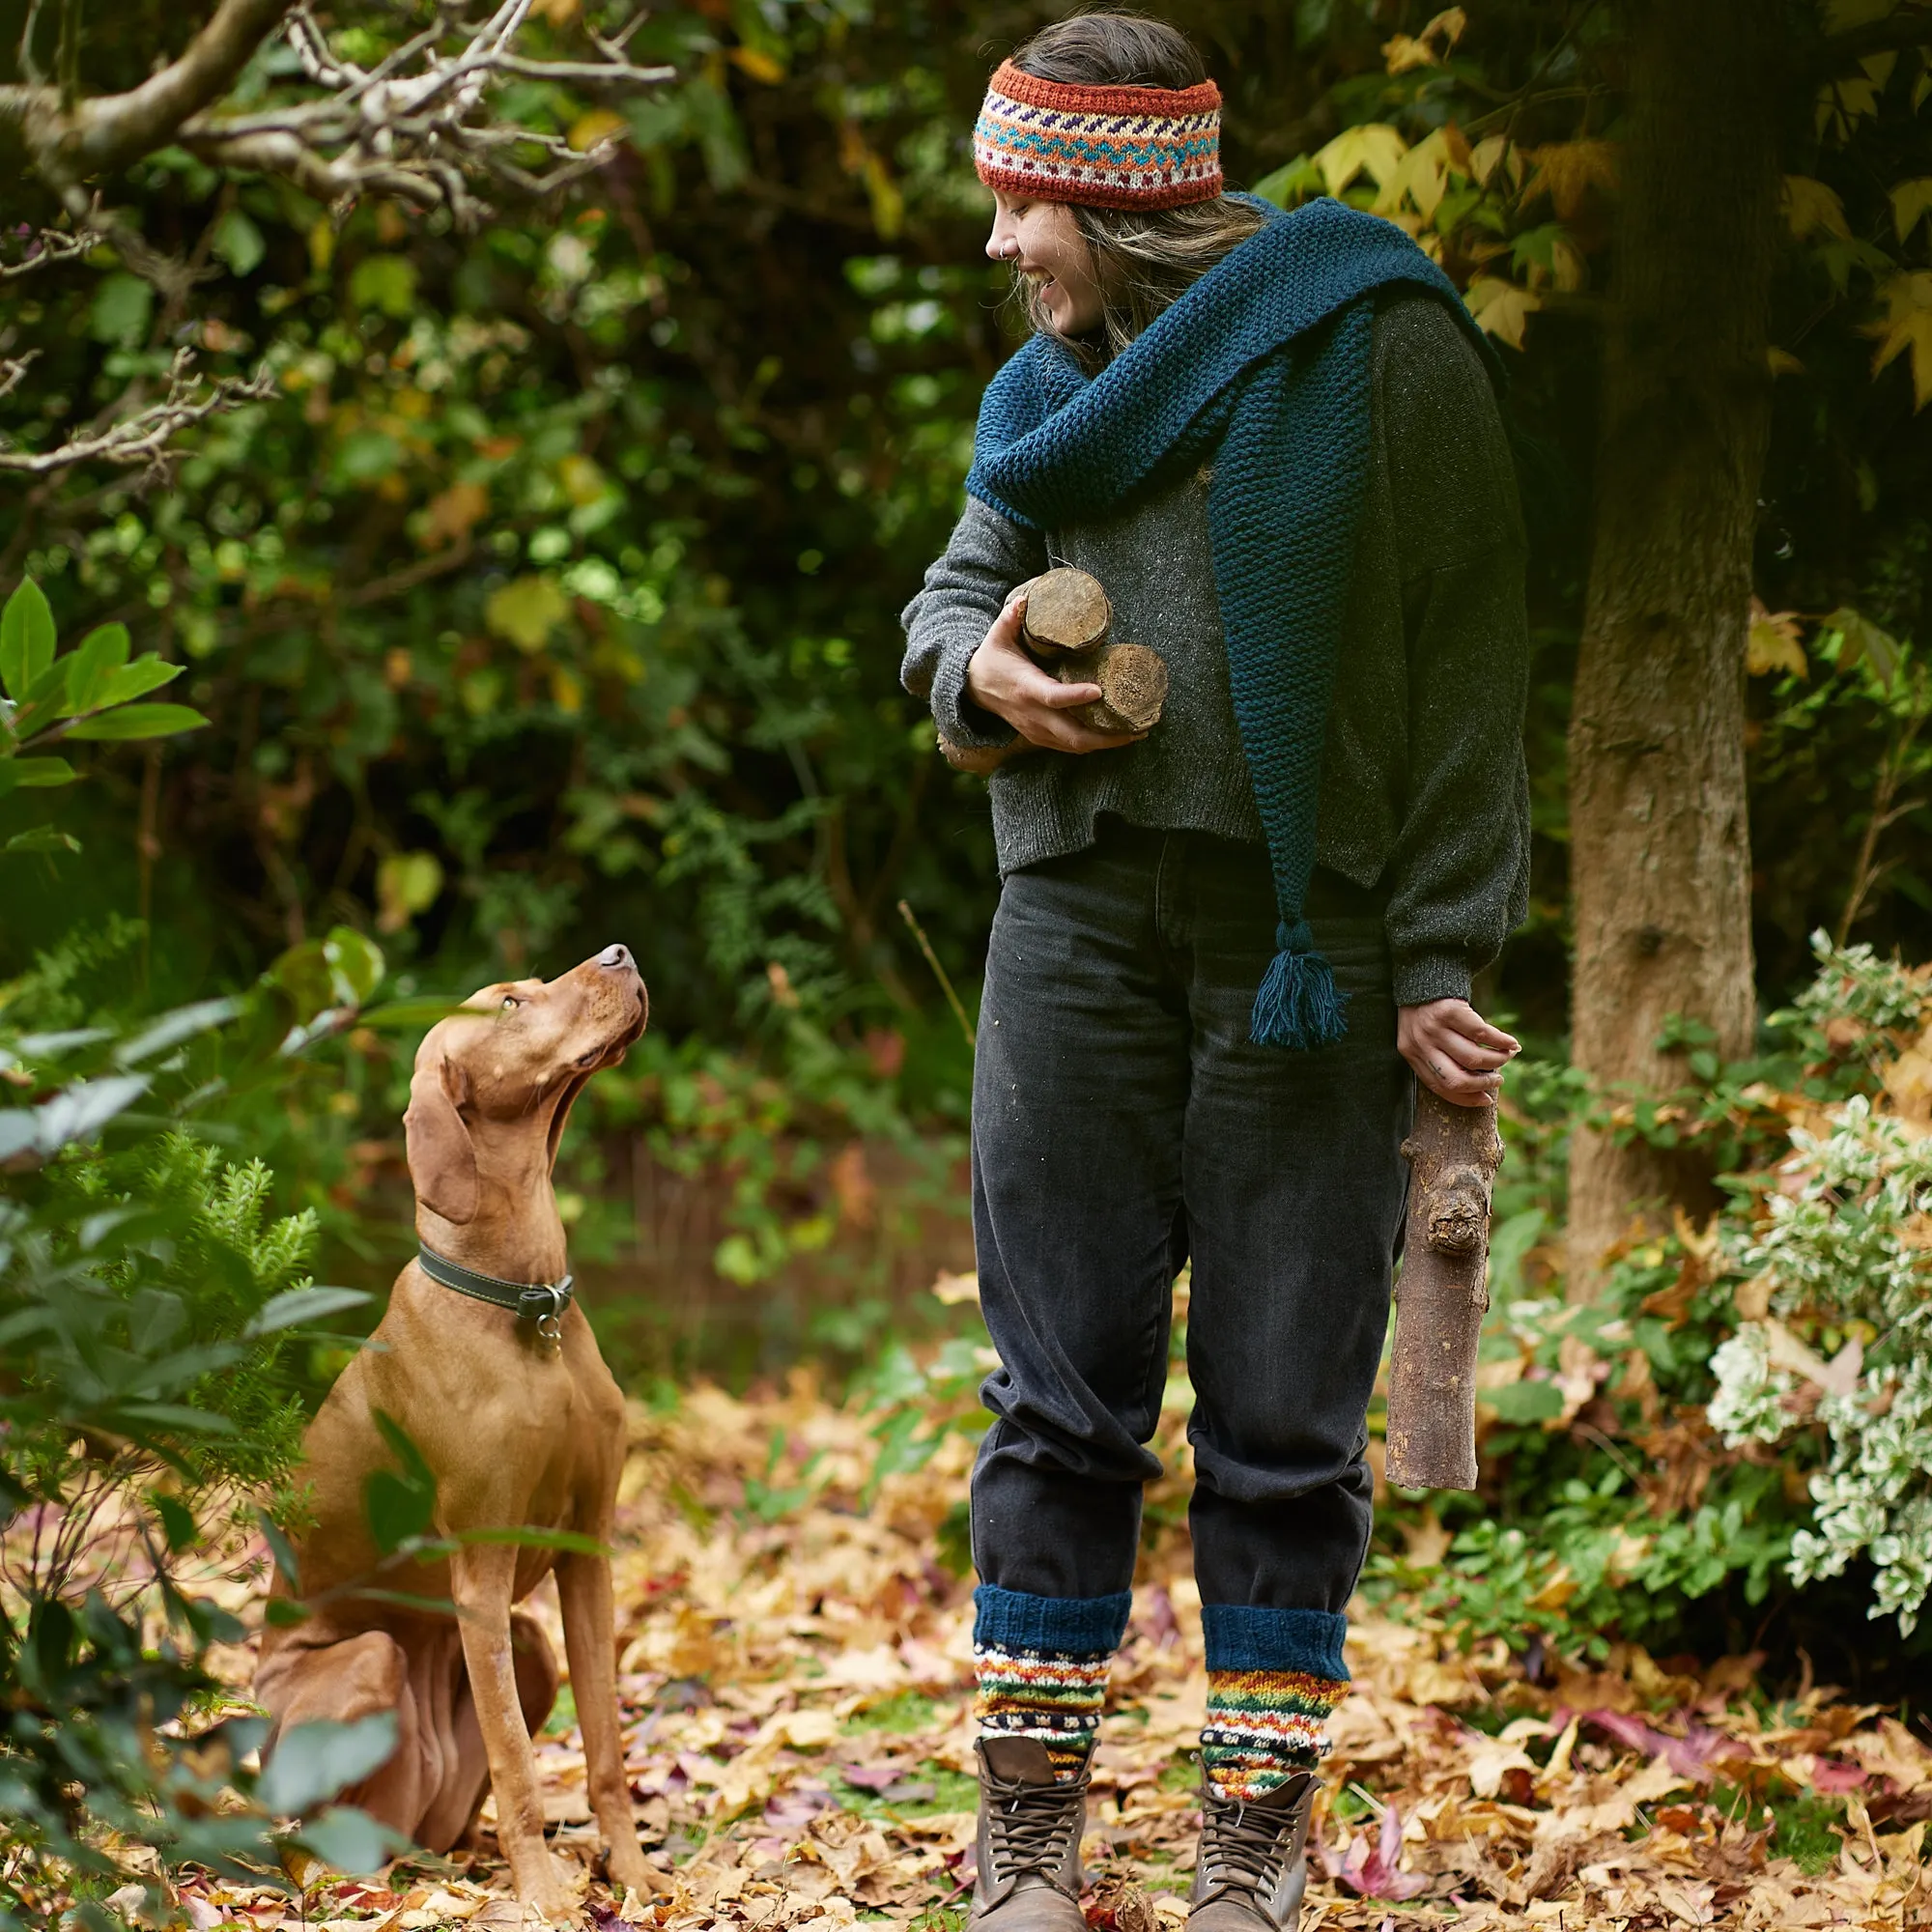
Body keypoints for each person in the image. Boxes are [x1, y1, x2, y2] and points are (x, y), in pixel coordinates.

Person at [900, 15, 1529, 1932]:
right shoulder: (1051, 385)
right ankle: (1023, 1849)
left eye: (1029, 197)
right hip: (1073, 927)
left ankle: (1245, 1855)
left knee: (1279, 1418)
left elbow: (1464, 673)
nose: (1002, 236)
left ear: (1118, 196)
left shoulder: (1378, 353)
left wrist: (1439, 950)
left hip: (1305, 960)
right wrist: (974, 675)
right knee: (1056, 1399)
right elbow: (950, 591)